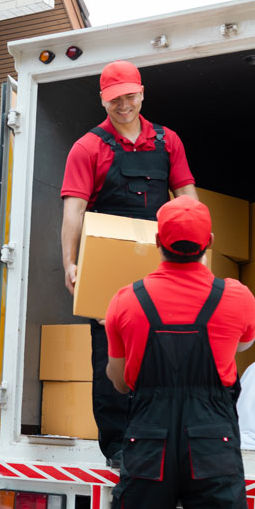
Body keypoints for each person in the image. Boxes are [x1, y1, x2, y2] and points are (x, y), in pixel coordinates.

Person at [103, 196, 255, 509]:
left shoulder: (126, 300)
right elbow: (243, 345)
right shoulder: (237, 297)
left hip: (148, 442)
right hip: (211, 441)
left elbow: (119, 382)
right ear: (210, 241)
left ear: (158, 241)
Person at [60, 60, 198, 461]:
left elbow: (187, 197)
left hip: (158, 263)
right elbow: (74, 209)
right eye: (114, 98)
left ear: (142, 93)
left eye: (129, 96)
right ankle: (118, 446)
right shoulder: (88, 147)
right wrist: (71, 261)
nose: (123, 105)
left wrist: (198, 250)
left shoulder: (167, 141)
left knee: (166, 350)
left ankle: (162, 437)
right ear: (104, 101)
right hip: (106, 266)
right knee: (110, 356)